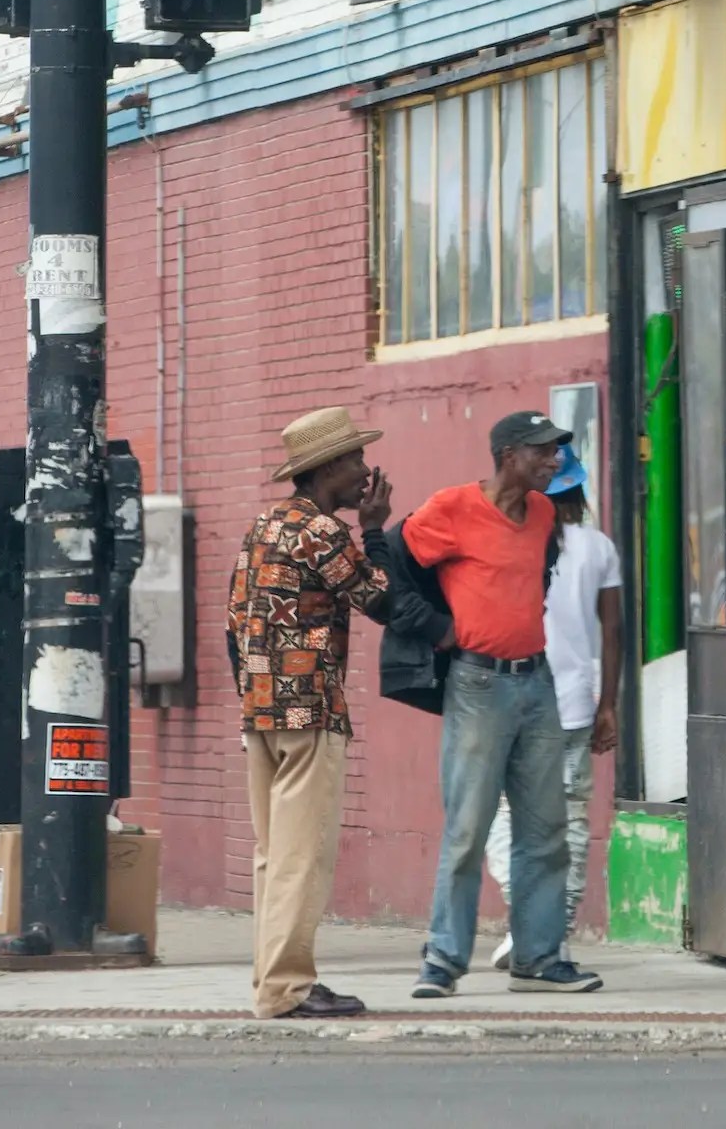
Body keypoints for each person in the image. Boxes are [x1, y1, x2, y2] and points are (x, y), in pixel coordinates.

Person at [405, 411, 603, 998]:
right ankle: (442, 960)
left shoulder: (542, 513)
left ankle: (538, 957)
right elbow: (395, 568)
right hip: (478, 686)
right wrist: (437, 627)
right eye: (543, 451)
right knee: (468, 828)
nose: (554, 461)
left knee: (546, 829)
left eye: (556, 450)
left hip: (537, 683)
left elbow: (534, 579)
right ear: (508, 455)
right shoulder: (451, 507)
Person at [226, 406, 395, 1019]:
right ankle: (286, 990)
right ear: (326, 470)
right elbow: (381, 600)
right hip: (310, 712)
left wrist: (254, 691)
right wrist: (374, 530)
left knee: (274, 856)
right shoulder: (322, 531)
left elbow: (233, 621)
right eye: (355, 460)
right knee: (302, 856)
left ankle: (273, 981)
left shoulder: (264, 525)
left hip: (260, 711)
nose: (365, 472)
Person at [483, 444, 621, 971]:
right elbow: (613, 632)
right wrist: (608, 705)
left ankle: (527, 922)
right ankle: (553, 932)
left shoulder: (507, 538)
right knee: (570, 820)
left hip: (508, 698)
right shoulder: (598, 547)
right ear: (579, 491)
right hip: (573, 705)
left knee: (501, 812)